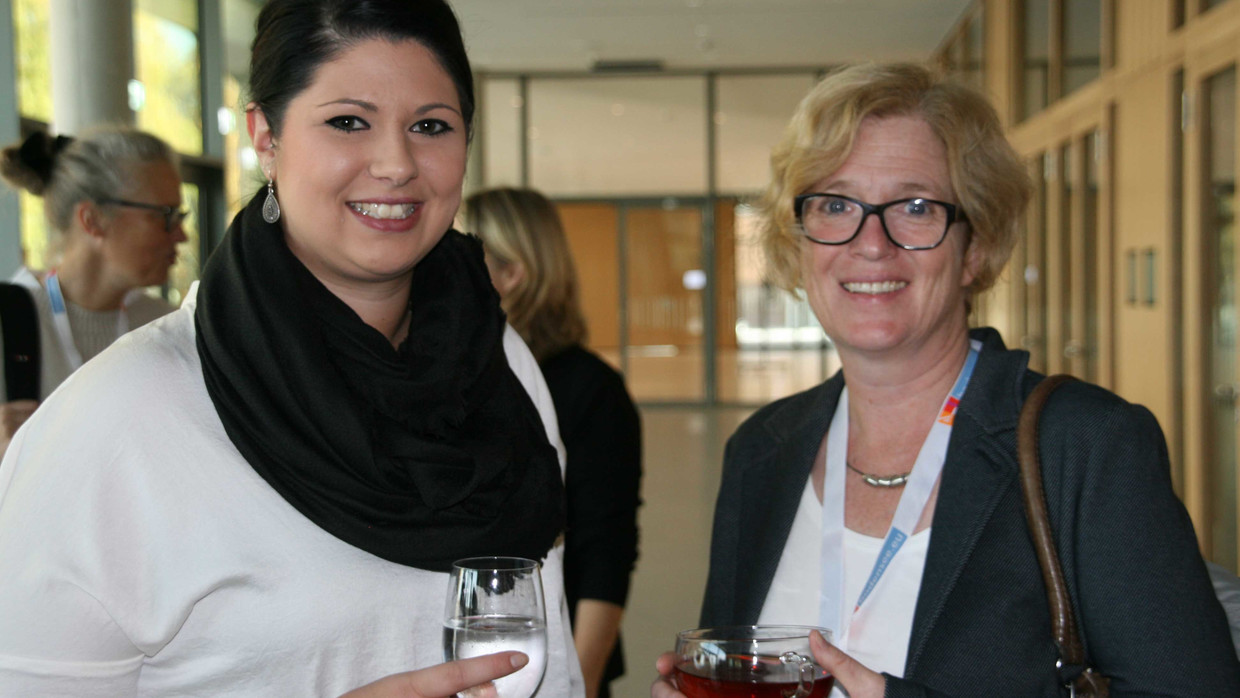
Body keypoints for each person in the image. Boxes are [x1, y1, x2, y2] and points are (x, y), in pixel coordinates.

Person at [0, 1, 584, 696]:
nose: (396, 164)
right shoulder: (123, 416)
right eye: (348, 122)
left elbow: (552, 667)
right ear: (265, 137)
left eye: (431, 126)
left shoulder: (498, 363)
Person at [653, 62, 1240, 697]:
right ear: (798, 244)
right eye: (836, 204)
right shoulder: (761, 448)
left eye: (914, 206)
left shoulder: (1086, 445)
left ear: (976, 247)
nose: (871, 243)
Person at [463, 187, 642, 698]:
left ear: (512, 274)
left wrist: (578, 683)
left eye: (464, 257)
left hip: (555, 662)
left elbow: (605, 552)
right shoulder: (455, 373)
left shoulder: (590, 389)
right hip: (470, 657)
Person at [0, 127, 184, 454]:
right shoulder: (8, 323)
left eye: (180, 216)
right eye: (165, 216)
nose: (182, 235)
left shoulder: (168, 327)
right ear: (92, 220)